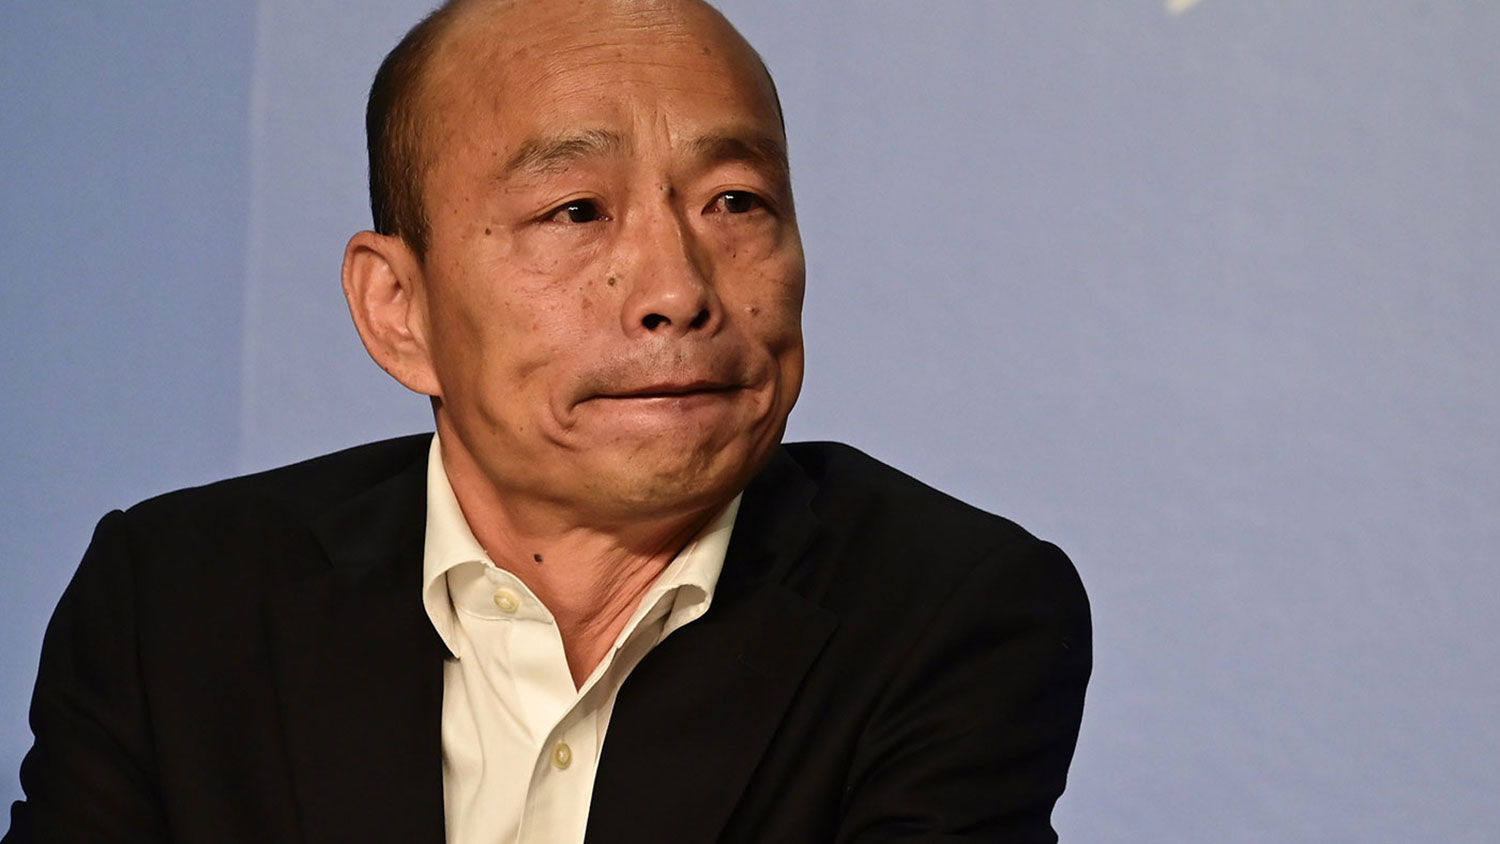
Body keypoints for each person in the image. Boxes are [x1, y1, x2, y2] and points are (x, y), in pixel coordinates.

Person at [4, 0, 1091, 842]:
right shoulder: (176, 603)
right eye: (577, 210)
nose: (677, 289)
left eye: (736, 202)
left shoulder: (951, 613)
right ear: (400, 310)